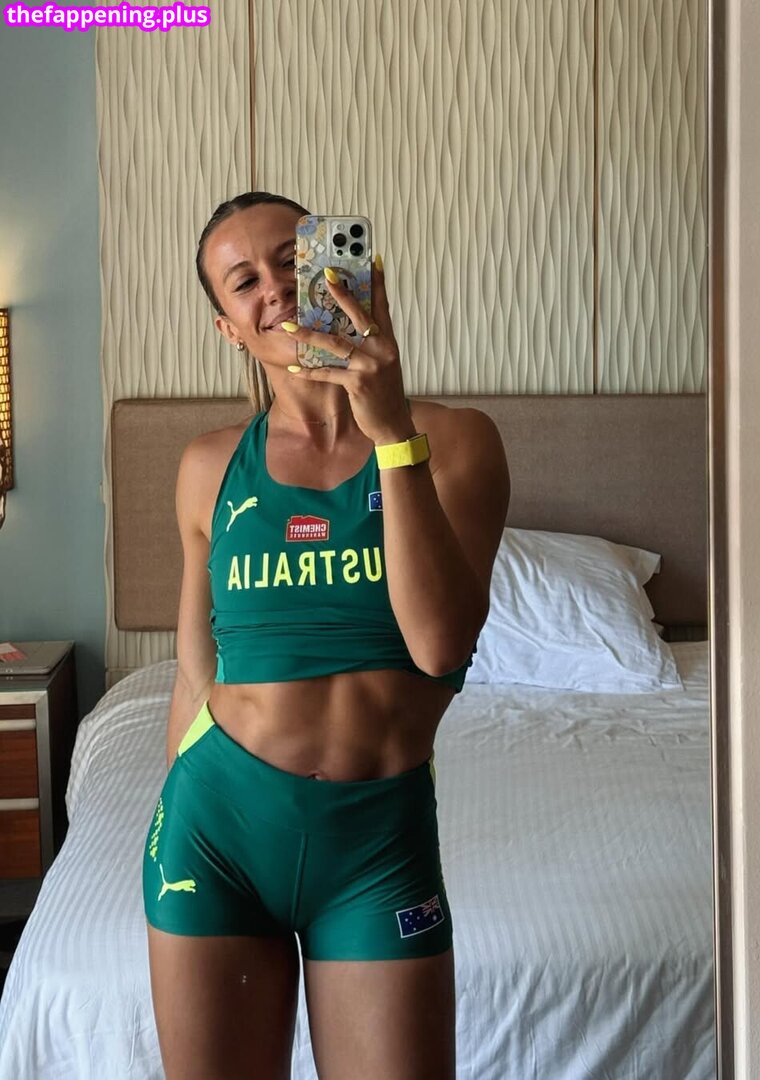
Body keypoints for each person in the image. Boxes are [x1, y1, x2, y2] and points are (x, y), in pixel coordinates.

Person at [142, 191, 510, 1080]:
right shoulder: (207, 468)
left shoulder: (459, 443)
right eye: (243, 282)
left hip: (377, 843)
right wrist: (179, 798)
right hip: (217, 833)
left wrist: (391, 433)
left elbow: (438, 646)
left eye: (289, 260)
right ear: (230, 329)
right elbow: (196, 667)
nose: (272, 288)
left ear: (343, 273)